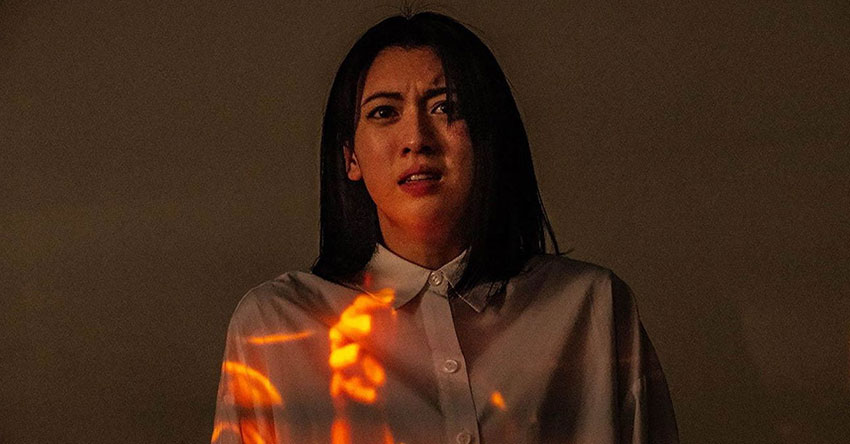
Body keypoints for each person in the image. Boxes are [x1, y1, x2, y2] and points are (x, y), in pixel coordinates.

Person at [211, 11, 678, 444]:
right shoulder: (275, 327)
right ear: (350, 157)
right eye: (384, 112)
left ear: (487, 135)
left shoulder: (592, 310)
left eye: (445, 107)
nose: (416, 139)